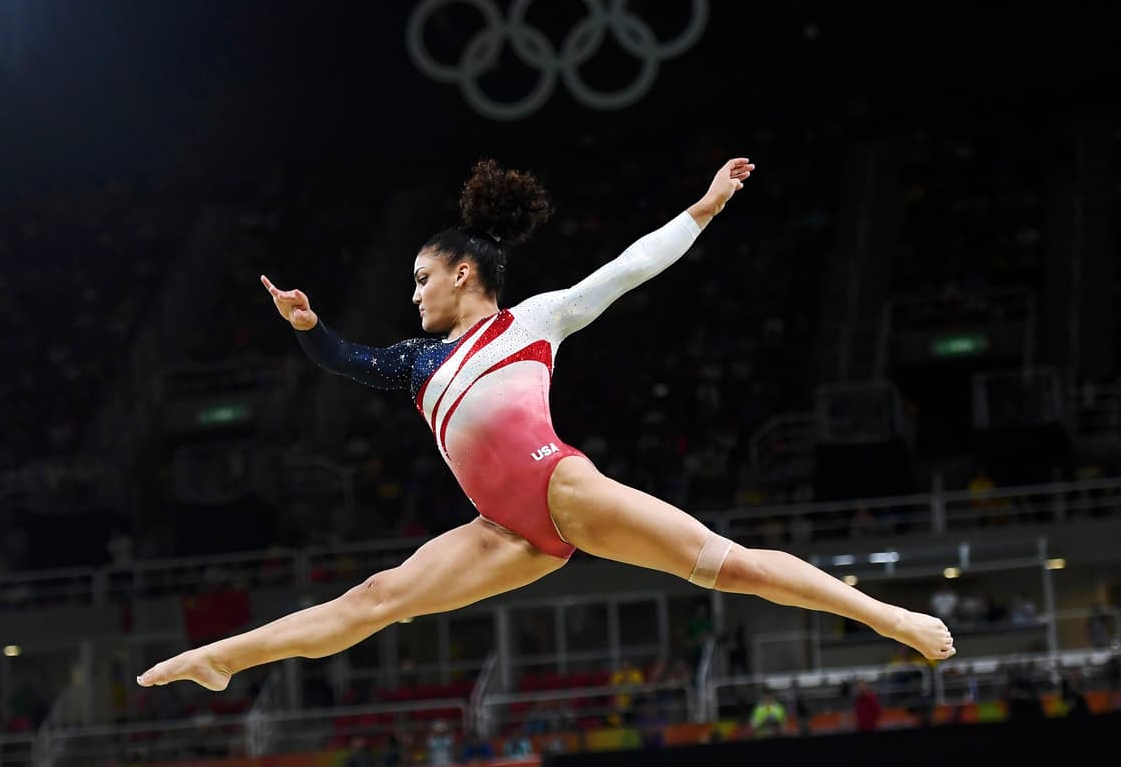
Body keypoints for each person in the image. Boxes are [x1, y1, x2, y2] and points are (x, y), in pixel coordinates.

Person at [136, 156, 955, 692]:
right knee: (377, 597)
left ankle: (894, 618)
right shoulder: (418, 365)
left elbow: (628, 268)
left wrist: (701, 209)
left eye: (422, 278)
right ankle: (222, 658)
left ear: (463, 272)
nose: (413, 294)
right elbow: (347, 362)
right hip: (503, 533)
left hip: (562, 490)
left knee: (730, 566)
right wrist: (310, 327)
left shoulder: (533, 321)